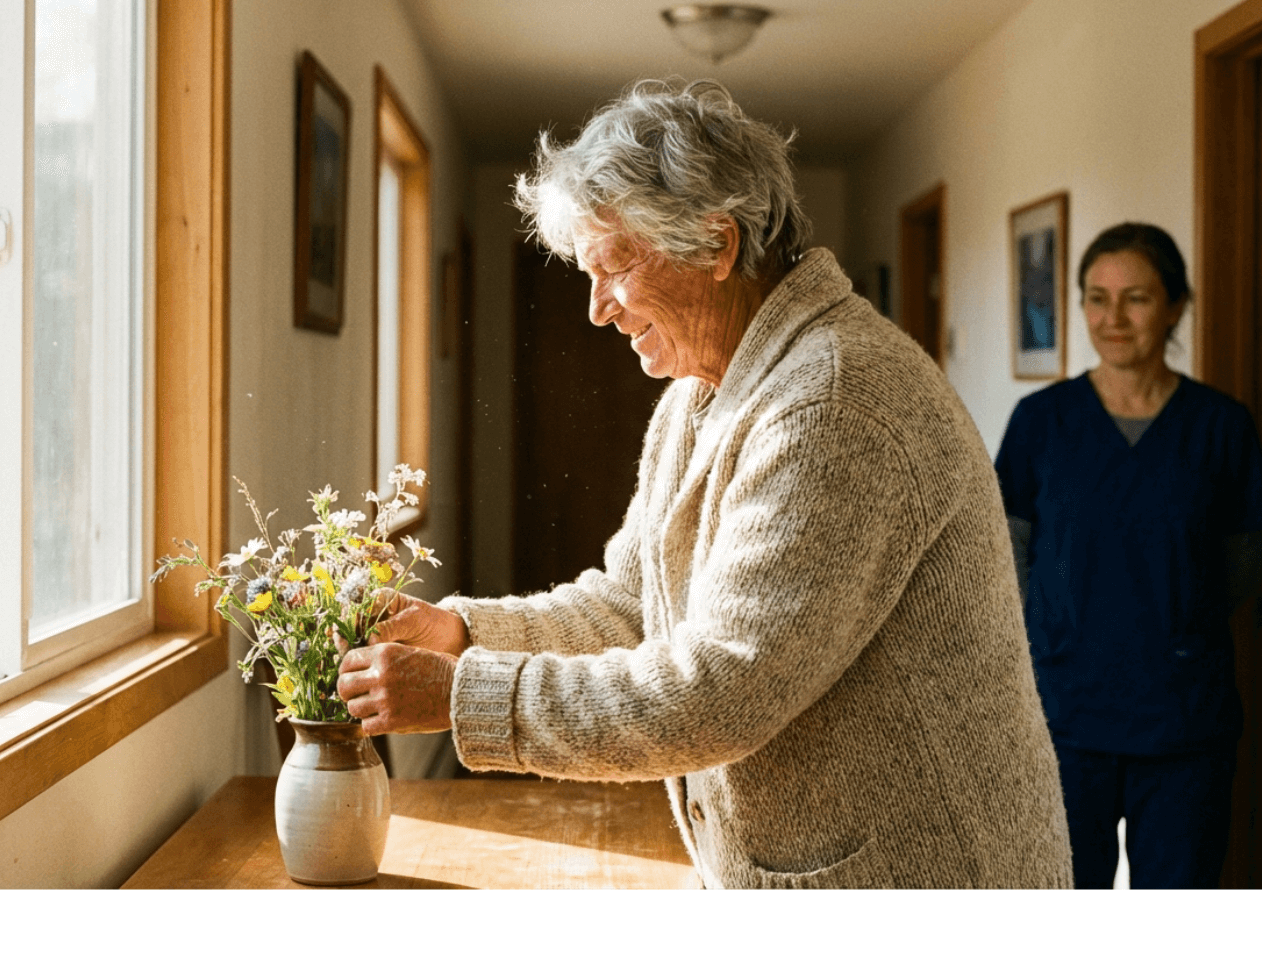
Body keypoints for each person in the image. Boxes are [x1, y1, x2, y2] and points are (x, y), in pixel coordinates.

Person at [338, 79, 1072, 888]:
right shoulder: (698, 396)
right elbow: (631, 603)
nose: (596, 309)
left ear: (717, 246)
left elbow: (718, 692)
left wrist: (462, 696)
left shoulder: (835, 403)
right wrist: (461, 633)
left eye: (613, 266)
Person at [994, 222, 1262, 889]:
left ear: (1176, 306)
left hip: (1185, 725)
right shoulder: (1041, 423)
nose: (1112, 318)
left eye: (1137, 298)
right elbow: (1008, 558)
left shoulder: (1220, 427)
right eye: (1097, 298)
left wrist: (1173, 618)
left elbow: (1243, 565)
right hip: (1064, 717)